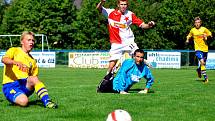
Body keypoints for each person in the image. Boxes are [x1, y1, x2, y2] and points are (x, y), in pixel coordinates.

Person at [96, 0, 155, 75]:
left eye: (125, 4)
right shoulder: (110, 12)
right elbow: (98, 8)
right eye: (122, 4)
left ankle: (143, 64)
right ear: (118, 5)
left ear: (127, 5)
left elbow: (142, 24)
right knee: (111, 65)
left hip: (128, 41)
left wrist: (149, 25)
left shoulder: (130, 14)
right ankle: (107, 78)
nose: (123, 6)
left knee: (138, 55)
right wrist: (101, 2)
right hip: (116, 43)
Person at [2, 31, 58, 108]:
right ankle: (17, 97)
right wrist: (15, 62)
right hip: (10, 85)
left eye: (33, 40)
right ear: (22, 41)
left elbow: (34, 79)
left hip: (24, 85)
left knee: (34, 78)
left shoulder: (33, 61)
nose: (31, 42)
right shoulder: (14, 50)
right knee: (24, 102)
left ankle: (47, 101)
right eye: (28, 40)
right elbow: (4, 60)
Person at [186, 17, 212, 83]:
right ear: (194, 23)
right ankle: (206, 78)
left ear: (200, 23)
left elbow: (210, 34)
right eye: (196, 22)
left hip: (205, 49)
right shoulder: (192, 30)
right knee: (202, 62)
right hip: (198, 49)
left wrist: (206, 35)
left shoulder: (204, 29)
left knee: (203, 64)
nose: (197, 24)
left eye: (198, 22)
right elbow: (189, 35)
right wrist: (187, 39)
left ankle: (199, 70)